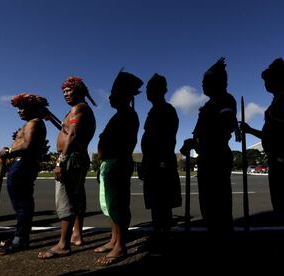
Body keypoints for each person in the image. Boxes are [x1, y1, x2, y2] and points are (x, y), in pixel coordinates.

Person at [240, 58, 284, 240]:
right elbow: (269, 134)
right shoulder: (278, 100)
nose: (266, 84)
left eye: (268, 80)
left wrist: (279, 153)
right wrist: (250, 130)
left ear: (279, 80)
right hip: (279, 159)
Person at [38, 76, 96, 259]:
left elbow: (71, 136)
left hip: (71, 157)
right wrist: (51, 118)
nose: (65, 94)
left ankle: (63, 244)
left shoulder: (79, 108)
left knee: (66, 198)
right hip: (76, 156)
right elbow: (66, 131)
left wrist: (59, 161)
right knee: (77, 196)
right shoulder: (76, 110)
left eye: (69, 91)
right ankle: (76, 235)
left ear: (79, 91)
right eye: (63, 92)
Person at [180, 57, 239, 235]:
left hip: (217, 157)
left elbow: (222, 129)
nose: (203, 85)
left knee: (218, 206)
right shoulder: (210, 104)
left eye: (206, 82)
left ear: (217, 82)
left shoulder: (225, 100)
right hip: (207, 157)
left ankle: (222, 239)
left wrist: (195, 142)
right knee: (208, 206)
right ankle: (214, 236)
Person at [94, 71, 143, 266]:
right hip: (111, 163)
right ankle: (114, 239)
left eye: (115, 93)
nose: (110, 97)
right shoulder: (120, 115)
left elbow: (122, 143)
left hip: (117, 163)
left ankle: (120, 246)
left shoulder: (128, 116)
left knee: (118, 205)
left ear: (126, 96)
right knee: (112, 205)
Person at [0, 93, 47, 256]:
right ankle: (20, 235)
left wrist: (9, 151)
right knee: (21, 205)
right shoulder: (30, 124)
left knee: (22, 204)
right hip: (21, 164)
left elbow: (28, 145)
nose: (19, 111)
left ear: (32, 109)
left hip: (23, 164)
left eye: (22, 108)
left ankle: (20, 240)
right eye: (18, 108)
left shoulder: (34, 123)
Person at [139, 73, 182, 245]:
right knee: (155, 201)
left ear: (161, 90)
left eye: (151, 88)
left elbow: (167, 139)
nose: (148, 92)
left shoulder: (167, 110)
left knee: (163, 201)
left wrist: (160, 162)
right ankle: (158, 231)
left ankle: (164, 233)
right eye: (148, 89)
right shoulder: (153, 110)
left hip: (161, 161)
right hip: (151, 160)